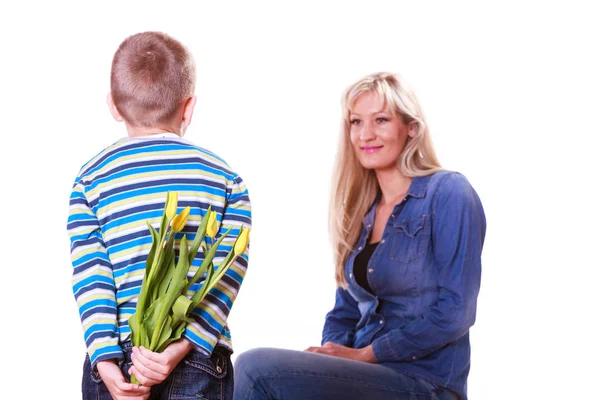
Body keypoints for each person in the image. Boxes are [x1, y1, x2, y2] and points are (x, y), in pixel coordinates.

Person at [233, 72, 485, 400]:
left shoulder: (448, 192)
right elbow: (345, 312)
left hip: (425, 382)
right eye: (355, 122)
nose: (365, 134)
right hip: (367, 375)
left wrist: (366, 354)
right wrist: (330, 354)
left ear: (411, 127)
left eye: (380, 120)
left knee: (255, 368)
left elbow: (456, 312)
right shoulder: (362, 212)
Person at [67, 31, 251, 400]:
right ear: (188, 107)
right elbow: (226, 274)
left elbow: (92, 277)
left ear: (114, 106)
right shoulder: (225, 179)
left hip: (117, 361)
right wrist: (181, 348)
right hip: (195, 357)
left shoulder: (90, 180)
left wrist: (104, 361)